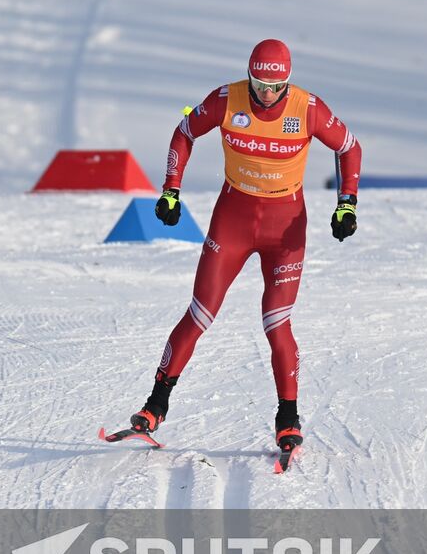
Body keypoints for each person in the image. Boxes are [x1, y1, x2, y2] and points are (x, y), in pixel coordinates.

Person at [130, 39, 362, 458]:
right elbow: (184, 132)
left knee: (277, 322)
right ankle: (154, 407)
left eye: (276, 86)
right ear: (249, 76)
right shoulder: (227, 99)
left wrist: (347, 203)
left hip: (285, 228)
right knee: (200, 313)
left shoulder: (308, 109)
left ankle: (287, 419)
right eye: (260, 84)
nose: (267, 94)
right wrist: (171, 190)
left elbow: (349, 147)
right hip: (234, 218)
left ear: (288, 81)